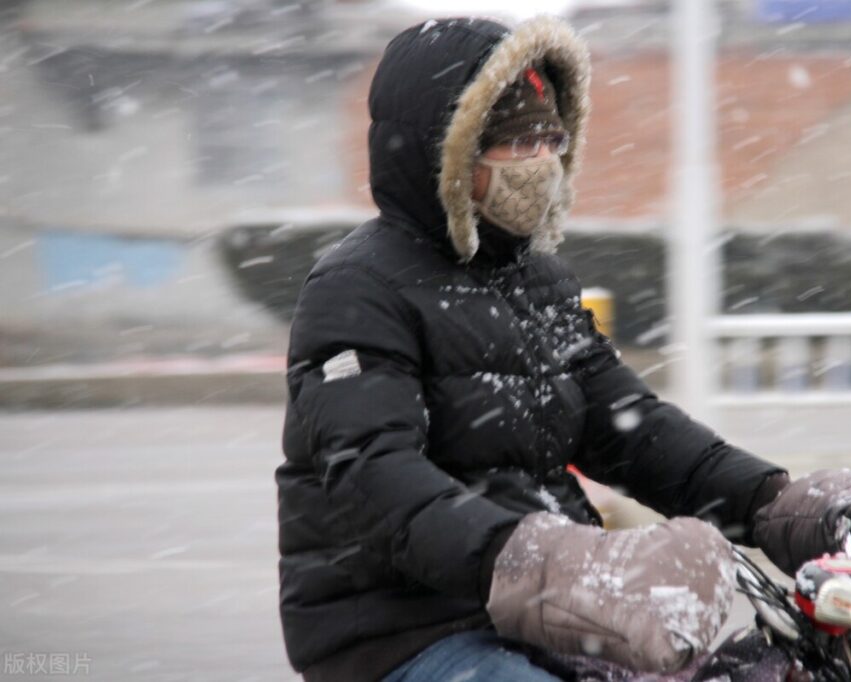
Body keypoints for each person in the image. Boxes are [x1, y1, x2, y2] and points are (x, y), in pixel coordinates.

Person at [276, 15, 789, 681]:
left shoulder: (539, 279)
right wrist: (534, 560)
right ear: (450, 152)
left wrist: (780, 504)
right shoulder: (357, 287)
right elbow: (375, 477)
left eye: (551, 137)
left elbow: (633, 430)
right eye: (517, 141)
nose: (542, 160)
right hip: (405, 631)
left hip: (552, 616)